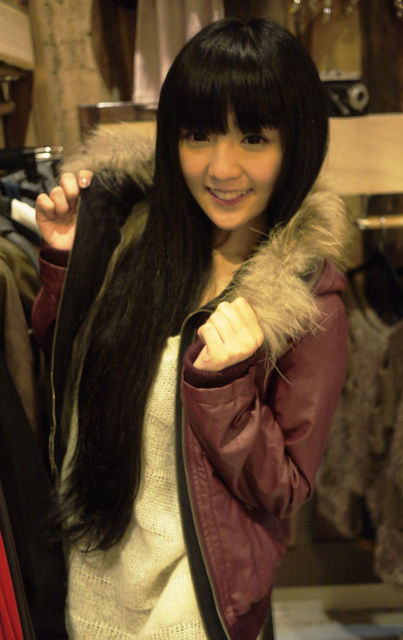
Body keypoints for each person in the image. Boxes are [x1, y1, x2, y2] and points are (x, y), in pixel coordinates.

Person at [33, 16, 349, 640]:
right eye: (199, 134)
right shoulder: (137, 240)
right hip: (91, 589)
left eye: (254, 138)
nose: (222, 168)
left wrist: (224, 390)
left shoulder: (307, 300)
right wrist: (68, 267)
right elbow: (66, 388)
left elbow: (284, 488)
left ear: (297, 144)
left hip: (193, 613)